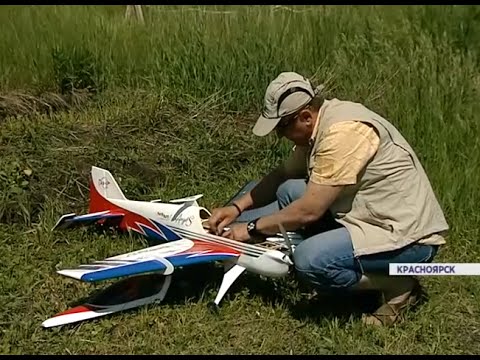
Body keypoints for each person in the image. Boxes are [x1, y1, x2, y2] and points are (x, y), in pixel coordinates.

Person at [207, 72, 449, 326]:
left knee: (310, 261)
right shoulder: (320, 125)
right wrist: (236, 207)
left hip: (406, 237)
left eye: (281, 127)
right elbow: (283, 175)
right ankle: (323, 250)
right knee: (288, 190)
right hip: (370, 213)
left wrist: (251, 228)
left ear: (305, 117)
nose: (279, 136)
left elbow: (309, 211)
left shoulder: (342, 134)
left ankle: (399, 285)